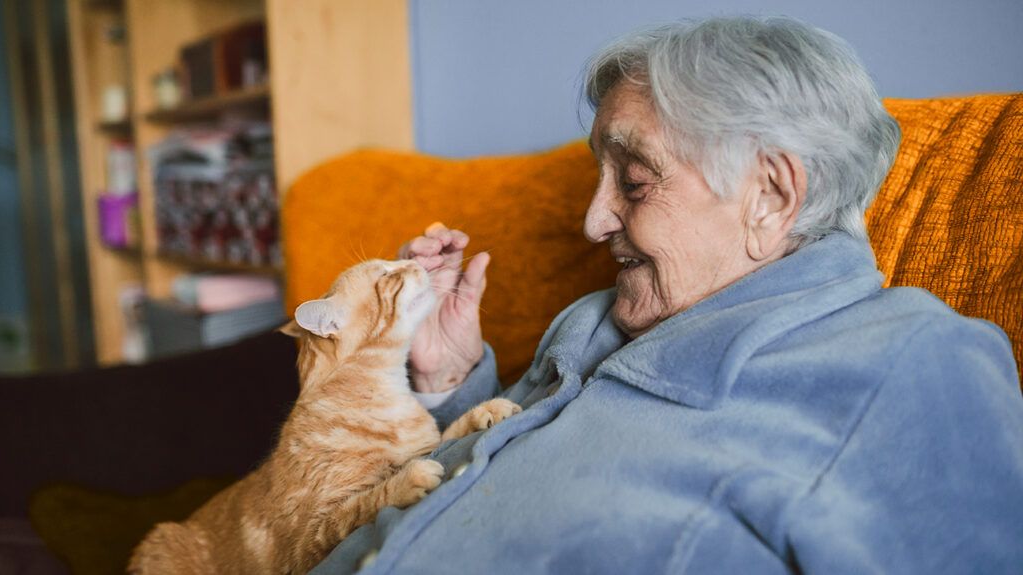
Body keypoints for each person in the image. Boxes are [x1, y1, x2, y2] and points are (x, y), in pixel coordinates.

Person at [311, 16, 1023, 574]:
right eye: (600, 176)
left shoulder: (916, 362)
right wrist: (449, 374)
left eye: (635, 179)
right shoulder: (600, 317)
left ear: (771, 195)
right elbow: (498, 475)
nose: (594, 221)